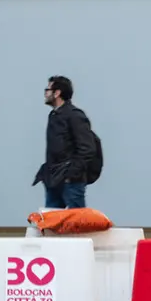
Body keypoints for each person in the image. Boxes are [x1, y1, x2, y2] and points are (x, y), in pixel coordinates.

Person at [33, 75, 97, 209]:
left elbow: (87, 149)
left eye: (48, 89)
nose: (45, 93)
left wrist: (71, 174)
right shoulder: (54, 116)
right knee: (52, 225)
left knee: (76, 225)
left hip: (71, 183)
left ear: (57, 93)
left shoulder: (75, 115)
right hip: (53, 180)